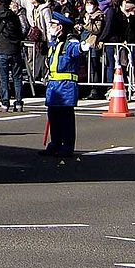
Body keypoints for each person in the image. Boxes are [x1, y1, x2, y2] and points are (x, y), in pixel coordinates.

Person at [41, 12, 93, 158]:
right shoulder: (55, 42)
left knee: (66, 118)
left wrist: (83, 47)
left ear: (61, 27)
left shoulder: (71, 42)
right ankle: (55, 143)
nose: (50, 27)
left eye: (53, 25)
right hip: (53, 85)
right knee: (53, 117)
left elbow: (76, 50)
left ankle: (67, 146)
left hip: (66, 85)